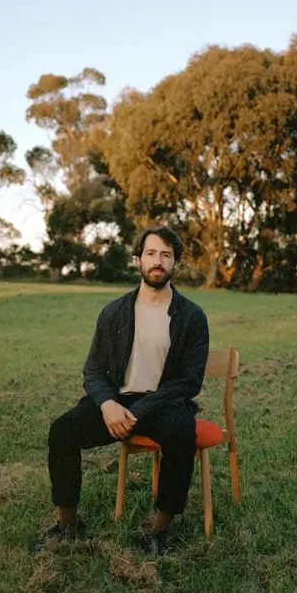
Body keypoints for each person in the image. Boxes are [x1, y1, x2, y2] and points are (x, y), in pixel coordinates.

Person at [41, 226, 209, 557]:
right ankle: (67, 526)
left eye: (166, 255)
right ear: (137, 259)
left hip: (162, 404)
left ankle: (160, 530)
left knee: (182, 432)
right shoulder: (114, 312)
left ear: (175, 263)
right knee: (62, 431)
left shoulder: (192, 316)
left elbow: (190, 381)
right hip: (117, 403)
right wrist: (107, 405)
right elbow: (93, 370)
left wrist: (141, 410)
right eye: (151, 254)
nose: (158, 261)